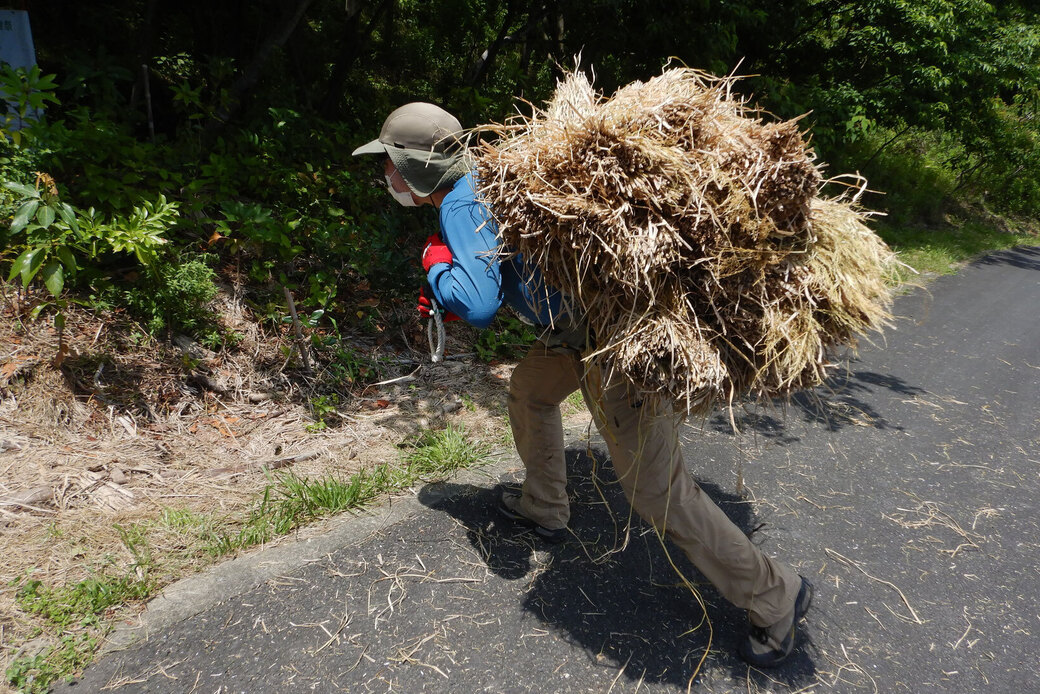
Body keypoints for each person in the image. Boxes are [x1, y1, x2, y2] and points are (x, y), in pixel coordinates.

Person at [352, 102, 812, 668]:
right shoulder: (481, 180)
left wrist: (437, 267)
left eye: (391, 164)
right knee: (530, 392)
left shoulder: (462, 202)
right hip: (571, 327)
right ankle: (545, 507)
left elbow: (476, 304)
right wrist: (453, 273)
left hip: (611, 340)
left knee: (655, 490)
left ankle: (774, 593)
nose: (387, 178)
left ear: (417, 165)